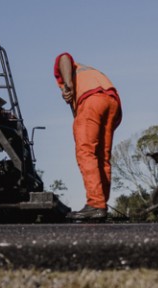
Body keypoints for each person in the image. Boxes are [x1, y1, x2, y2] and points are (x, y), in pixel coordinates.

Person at [54, 53, 122, 221]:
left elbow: (63, 56)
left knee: (85, 152)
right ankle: (101, 205)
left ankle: (95, 204)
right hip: (112, 102)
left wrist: (67, 85)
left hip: (91, 101)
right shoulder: (90, 72)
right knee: (102, 157)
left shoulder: (69, 69)